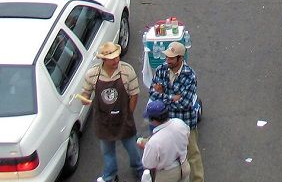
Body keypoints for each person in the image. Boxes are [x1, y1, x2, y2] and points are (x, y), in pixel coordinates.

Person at [77, 42, 145, 182]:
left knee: (132, 148)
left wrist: (129, 114)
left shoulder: (127, 71)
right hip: (103, 120)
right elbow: (86, 93)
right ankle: (110, 176)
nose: (116, 60)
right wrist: (84, 98)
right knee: (107, 152)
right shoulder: (93, 74)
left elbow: (134, 94)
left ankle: (139, 169)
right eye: (112, 58)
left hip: (123, 118)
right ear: (103, 59)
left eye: (117, 57)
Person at [149, 42, 204, 182]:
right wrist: (172, 98)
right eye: (167, 57)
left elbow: (184, 103)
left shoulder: (189, 75)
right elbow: (152, 94)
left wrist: (163, 97)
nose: (167, 60)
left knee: (192, 154)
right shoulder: (161, 70)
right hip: (166, 123)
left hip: (185, 123)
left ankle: (197, 179)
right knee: (168, 156)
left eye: (171, 58)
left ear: (180, 58)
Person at [137, 100, 190, 182]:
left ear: (153, 120)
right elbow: (187, 135)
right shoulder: (179, 123)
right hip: (184, 164)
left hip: (167, 174)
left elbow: (148, 164)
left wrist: (145, 147)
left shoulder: (154, 142)